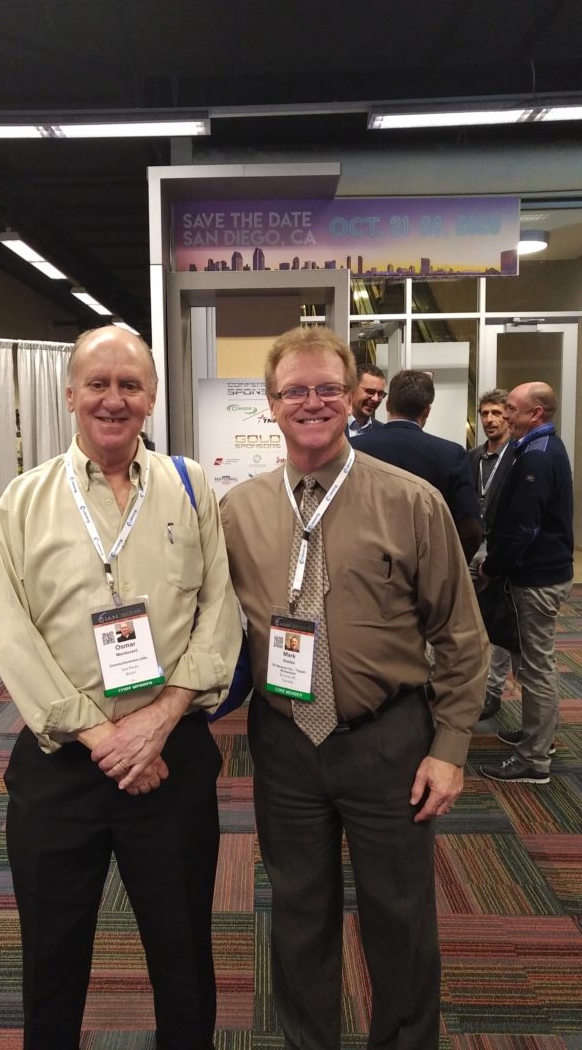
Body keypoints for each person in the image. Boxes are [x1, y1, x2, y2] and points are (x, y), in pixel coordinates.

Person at [220, 325, 487, 1050]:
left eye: (328, 388)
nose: (312, 402)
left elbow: (462, 637)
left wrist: (451, 748)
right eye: (295, 390)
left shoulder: (412, 502)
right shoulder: (237, 512)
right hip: (285, 741)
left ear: (354, 399)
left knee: (399, 919)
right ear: (271, 405)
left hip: (390, 741)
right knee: (298, 915)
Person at [0, 325, 242, 1050]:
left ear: (153, 397)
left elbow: (218, 615)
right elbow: (13, 637)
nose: (113, 399)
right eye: (97, 383)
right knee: (52, 959)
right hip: (62, 766)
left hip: (171, 760)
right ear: (69, 393)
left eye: (130, 385)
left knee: (184, 956)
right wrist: (106, 737)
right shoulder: (24, 500)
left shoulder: (190, 487)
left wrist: (158, 723)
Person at [479, 381, 573, 785]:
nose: (505, 415)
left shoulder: (537, 456)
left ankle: (535, 760)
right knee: (533, 661)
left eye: (513, 409)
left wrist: (494, 566)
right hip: (543, 574)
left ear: (536, 413)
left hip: (537, 579)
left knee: (537, 666)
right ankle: (540, 736)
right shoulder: (542, 447)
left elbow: (524, 526)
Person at [359, 369, 483, 562]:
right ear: (427, 410)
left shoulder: (355, 450)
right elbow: (471, 529)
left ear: (388, 405)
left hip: (367, 569)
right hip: (428, 569)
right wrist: (447, 569)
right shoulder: (451, 455)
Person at [468, 389, 515, 719]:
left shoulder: (518, 457)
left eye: (496, 413)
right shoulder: (472, 457)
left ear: (508, 416)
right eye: (484, 413)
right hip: (471, 547)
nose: (489, 419)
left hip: (501, 549)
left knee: (498, 624)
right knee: (466, 619)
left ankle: (493, 689)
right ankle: (465, 683)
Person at [346, 361, 386, 436]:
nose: (375, 399)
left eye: (380, 394)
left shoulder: (383, 432)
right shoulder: (333, 427)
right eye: (370, 391)